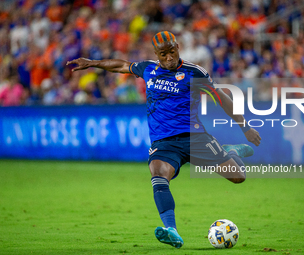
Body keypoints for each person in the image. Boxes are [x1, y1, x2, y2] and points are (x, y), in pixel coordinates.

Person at [67, 31, 261, 249]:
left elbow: (221, 98)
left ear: (178, 47)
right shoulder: (148, 69)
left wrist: (244, 126)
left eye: (172, 52)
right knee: (158, 174)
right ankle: (172, 230)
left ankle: (230, 151)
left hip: (194, 137)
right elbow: (121, 65)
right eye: (163, 54)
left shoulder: (194, 72)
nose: (169, 58)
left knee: (238, 177)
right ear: (156, 54)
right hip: (164, 142)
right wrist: (92, 63)